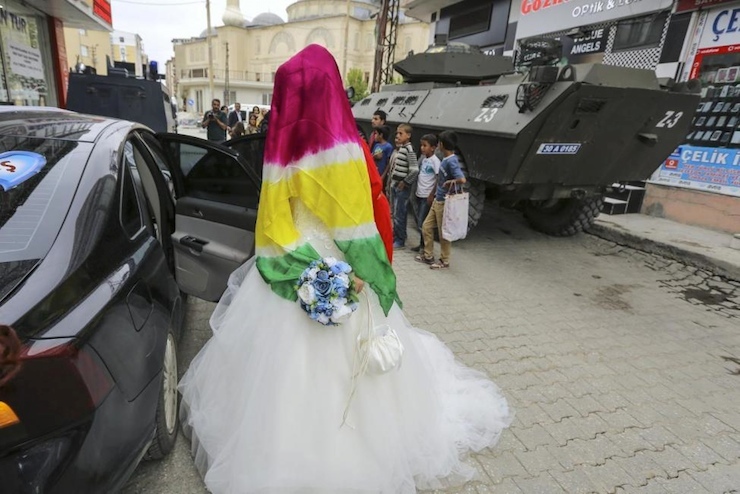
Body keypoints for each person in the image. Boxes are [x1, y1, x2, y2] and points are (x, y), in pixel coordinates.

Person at [178, 44, 510, 494]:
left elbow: (272, 222)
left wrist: (299, 267)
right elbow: (358, 230)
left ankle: (274, 458)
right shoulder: (347, 151)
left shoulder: (279, 153)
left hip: (293, 267)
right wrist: (374, 276)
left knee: (272, 375)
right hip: (340, 269)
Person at [416, 130, 466, 270]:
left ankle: (444, 260)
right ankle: (428, 255)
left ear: (442, 145)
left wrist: (451, 182)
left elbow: (462, 179)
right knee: (426, 226)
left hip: (444, 202)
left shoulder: (452, 161)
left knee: (444, 232)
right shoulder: (445, 159)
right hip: (438, 199)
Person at [386, 123, 418, 250]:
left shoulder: (409, 150)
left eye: (401, 134)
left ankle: (400, 240)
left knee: (400, 213)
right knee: (395, 213)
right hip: (395, 185)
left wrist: (405, 182)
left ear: (408, 136)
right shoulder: (402, 148)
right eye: (397, 133)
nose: (398, 136)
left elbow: (414, 170)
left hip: (402, 188)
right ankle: (396, 234)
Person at [411, 134, 441, 252]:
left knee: (423, 224)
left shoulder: (435, 161)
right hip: (419, 193)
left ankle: (427, 248)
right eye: (421, 145)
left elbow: (438, 178)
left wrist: (432, 194)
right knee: (420, 222)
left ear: (433, 148)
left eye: (425, 146)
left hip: (426, 196)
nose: (422, 148)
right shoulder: (423, 159)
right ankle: (422, 244)